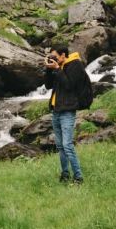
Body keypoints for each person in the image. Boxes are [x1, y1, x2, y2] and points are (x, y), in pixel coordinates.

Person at [44, 44, 89, 185]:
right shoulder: (59, 66)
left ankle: (78, 177)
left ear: (63, 55)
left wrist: (57, 69)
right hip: (56, 110)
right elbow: (48, 85)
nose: (54, 59)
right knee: (60, 146)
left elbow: (69, 86)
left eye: (55, 56)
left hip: (68, 110)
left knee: (67, 145)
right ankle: (65, 174)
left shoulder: (75, 65)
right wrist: (48, 69)